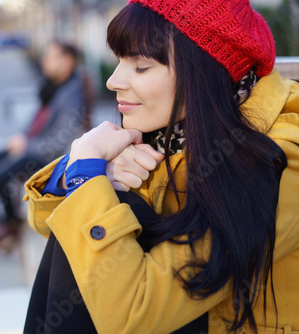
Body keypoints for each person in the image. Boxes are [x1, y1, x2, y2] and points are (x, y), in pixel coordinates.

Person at [23, 1, 299, 333]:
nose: (113, 81)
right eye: (120, 61)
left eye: (141, 67)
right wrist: (86, 172)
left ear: (204, 71)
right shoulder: (170, 132)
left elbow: (135, 313)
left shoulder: (280, 160)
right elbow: (48, 225)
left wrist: (86, 177)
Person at [0, 41, 87, 257]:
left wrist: (26, 144)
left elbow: (59, 141)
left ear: (67, 61)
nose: (44, 61)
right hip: (29, 146)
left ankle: (9, 224)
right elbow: (36, 122)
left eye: (50, 57)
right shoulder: (53, 88)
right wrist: (21, 139)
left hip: (46, 157)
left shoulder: (73, 95)